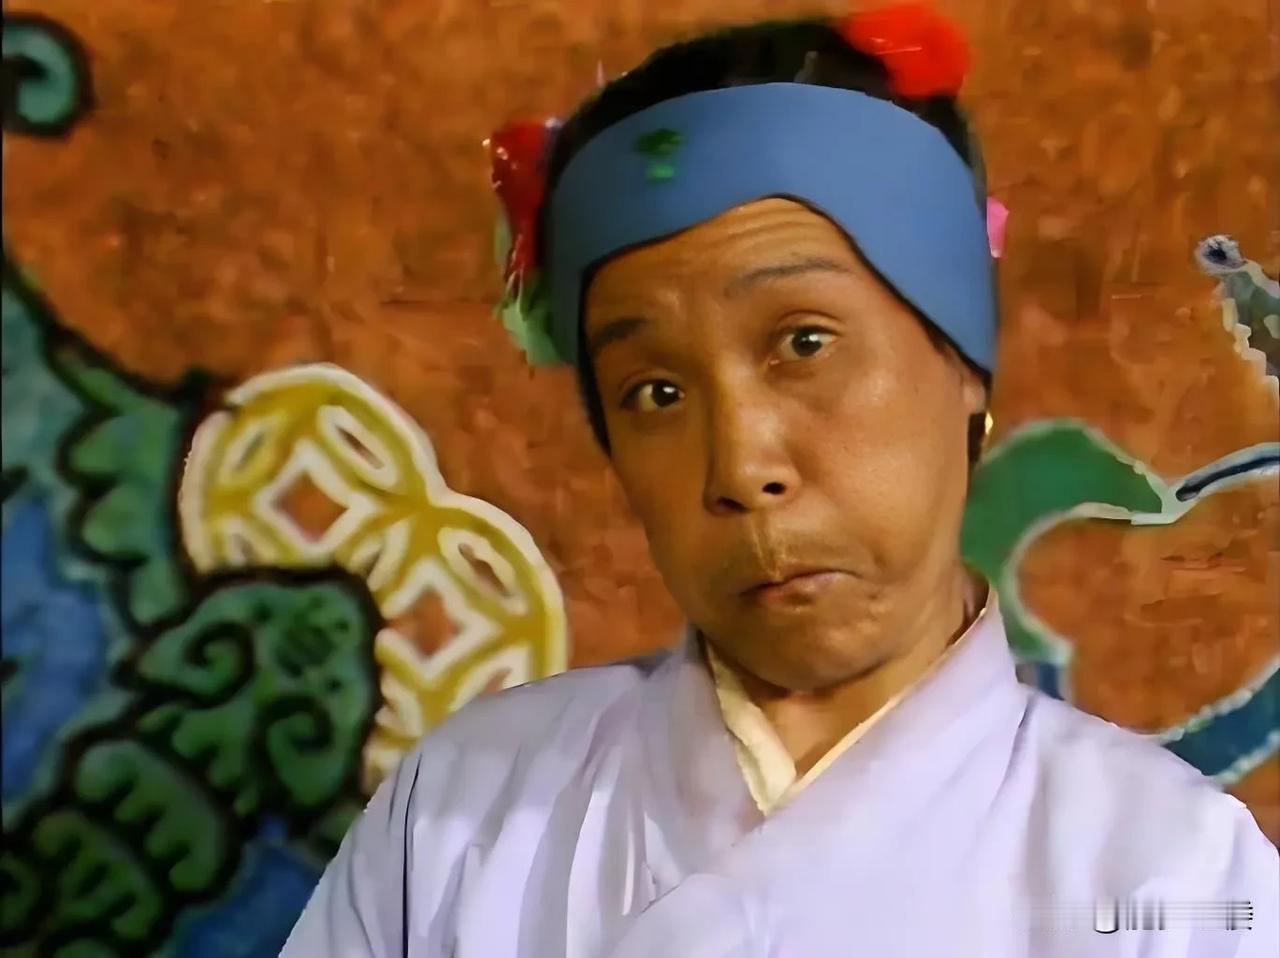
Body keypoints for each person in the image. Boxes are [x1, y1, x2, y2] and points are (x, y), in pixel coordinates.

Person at [282, 9, 1278, 957]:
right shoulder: (465, 816)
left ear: (962, 367)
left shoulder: (1172, 872)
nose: (741, 466)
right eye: (655, 392)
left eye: (804, 343)